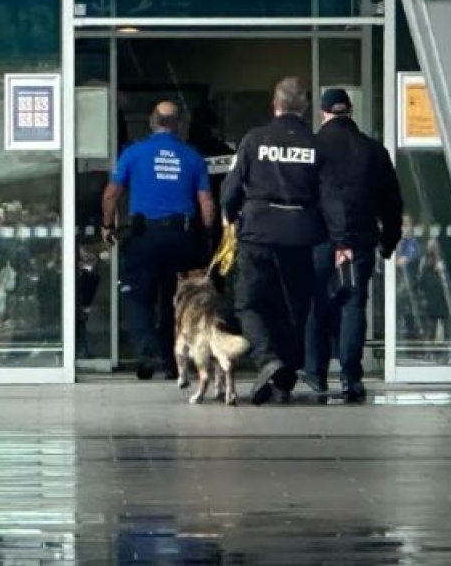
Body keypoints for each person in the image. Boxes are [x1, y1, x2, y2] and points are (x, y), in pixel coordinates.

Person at [221, 77, 350, 405]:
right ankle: (284, 379)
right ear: (305, 107)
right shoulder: (315, 144)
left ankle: (268, 359)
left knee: (248, 303)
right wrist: (341, 241)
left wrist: (230, 214)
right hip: (300, 236)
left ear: (275, 105)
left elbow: (232, 189)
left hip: (258, 235)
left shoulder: (254, 140)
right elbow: (330, 197)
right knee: (294, 309)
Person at [300, 88, 404, 401]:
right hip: (360, 240)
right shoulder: (373, 150)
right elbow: (392, 202)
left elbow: (302, 193)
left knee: (317, 304)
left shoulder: (312, 147)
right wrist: (389, 239)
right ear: (350, 111)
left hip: (318, 239)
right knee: (353, 305)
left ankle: (316, 373)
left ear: (323, 112)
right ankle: (351, 378)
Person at [101, 100, 216, 380]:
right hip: (181, 237)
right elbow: (207, 202)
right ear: (177, 124)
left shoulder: (134, 153)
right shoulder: (192, 156)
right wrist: (209, 238)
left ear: (153, 121)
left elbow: (111, 194)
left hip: (144, 236)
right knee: (173, 299)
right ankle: (170, 360)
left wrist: (107, 225)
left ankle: (146, 350)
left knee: (138, 296)